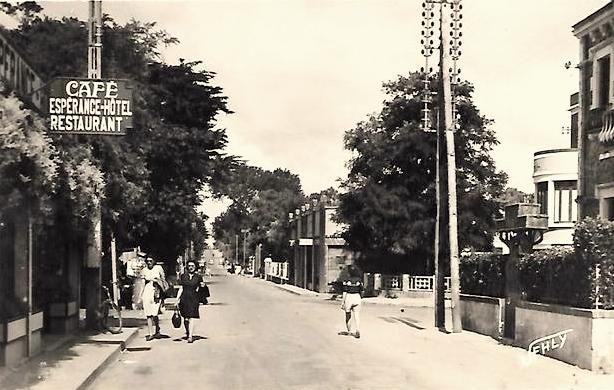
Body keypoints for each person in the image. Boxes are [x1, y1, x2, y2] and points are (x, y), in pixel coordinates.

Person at [175, 260, 205, 343]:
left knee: (191, 317)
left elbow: (201, 288)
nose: (191, 267)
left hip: (194, 298)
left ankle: (190, 336)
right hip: (184, 298)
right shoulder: (183, 276)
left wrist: (203, 287)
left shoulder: (198, 277)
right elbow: (181, 288)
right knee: (185, 319)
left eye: (192, 266)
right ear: (187, 267)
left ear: (195, 267)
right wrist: (177, 299)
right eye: (189, 266)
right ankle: (188, 331)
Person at [140, 257, 166, 341]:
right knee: (148, 313)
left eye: (151, 261)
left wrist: (162, 289)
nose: (149, 262)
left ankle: (157, 328)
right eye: (147, 261)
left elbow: (163, 279)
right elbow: (142, 283)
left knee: (155, 313)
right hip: (147, 290)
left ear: (154, 261)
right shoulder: (144, 270)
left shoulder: (158, 268)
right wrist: (140, 295)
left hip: (156, 291)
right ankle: (151, 333)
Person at [339, 265, 364, 339]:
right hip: (357, 297)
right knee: (357, 315)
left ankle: (349, 331)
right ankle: (358, 330)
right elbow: (362, 290)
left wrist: (342, 302)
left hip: (349, 297)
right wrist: (360, 297)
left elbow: (344, 292)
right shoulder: (359, 280)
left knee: (348, 315)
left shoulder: (346, 280)